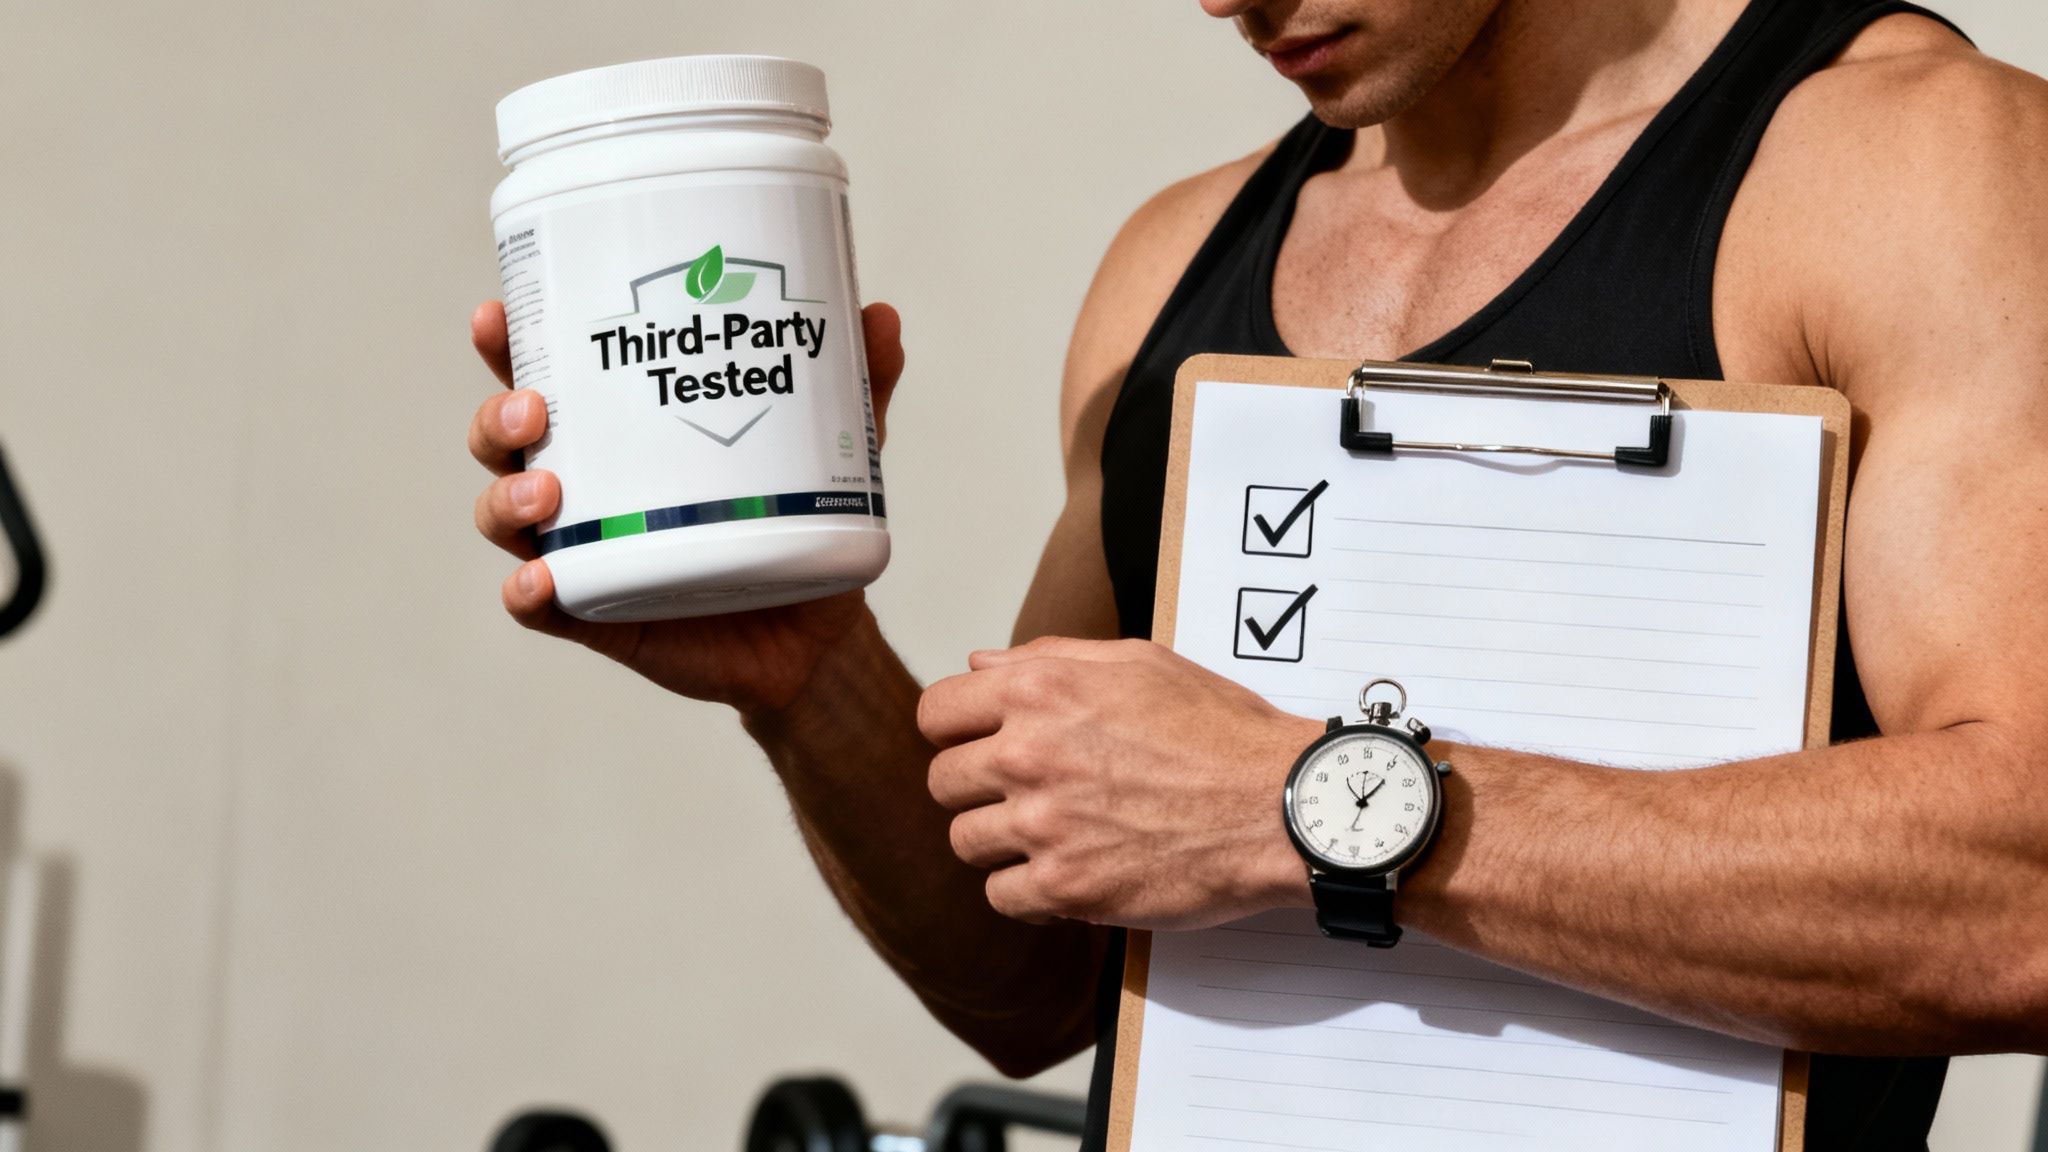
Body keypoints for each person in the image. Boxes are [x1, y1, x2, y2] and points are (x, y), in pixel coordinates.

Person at [465, 0, 2048, 1147]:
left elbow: (2026, 899)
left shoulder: (1905, 163)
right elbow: (1035, 985)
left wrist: (1314, 808)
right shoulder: (1174, 260)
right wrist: (812, 674)